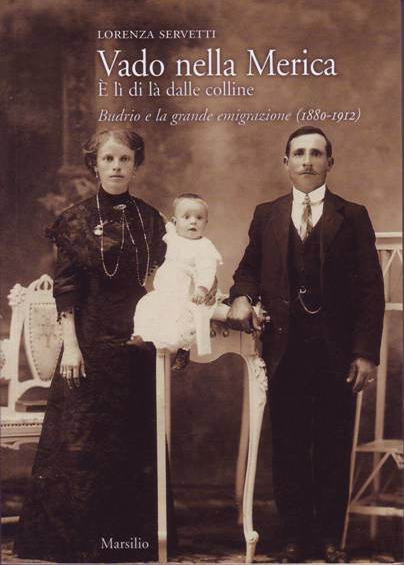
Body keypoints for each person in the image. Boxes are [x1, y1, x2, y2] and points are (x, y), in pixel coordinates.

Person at [15, 128, 174, 562]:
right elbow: (66, 288)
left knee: (132, 438)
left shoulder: (152, 219)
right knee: (83, 440)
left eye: (124, 159)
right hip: (87, 339)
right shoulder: (74, 220)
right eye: (108, 159)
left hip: (137, 339)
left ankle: (129, 542)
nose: (116, 167)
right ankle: (80, 543)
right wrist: (71, 346)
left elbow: (163, 281)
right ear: (95, 165)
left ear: (136, 165)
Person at [227, 126, 384, 563]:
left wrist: (365, 353)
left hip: (337, 351)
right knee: (290, 445)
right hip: (285, 349)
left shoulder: (353, 215)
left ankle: (330, 538)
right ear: (286, 163)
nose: (308, 161)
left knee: (333, 444)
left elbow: (371, 289)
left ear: (330, 162)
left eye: (317, 153)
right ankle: (295, 538)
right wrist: (241, 297)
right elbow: (248, 269)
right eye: (299, 153)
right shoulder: (267, 214)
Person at [131, 193, 223, 370]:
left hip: (187, 293)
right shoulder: (174, 237)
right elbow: (168, 227)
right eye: (186, 217)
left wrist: (202, 289)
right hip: (165, 291)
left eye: (199, 218)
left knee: (185, 319)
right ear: (176, 222)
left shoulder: (204, 246)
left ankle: (184, 349)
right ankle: (142, 336)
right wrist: (161, 218)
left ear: (206, 223)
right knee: (146, 305)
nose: (193, 222)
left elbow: (207, 270)